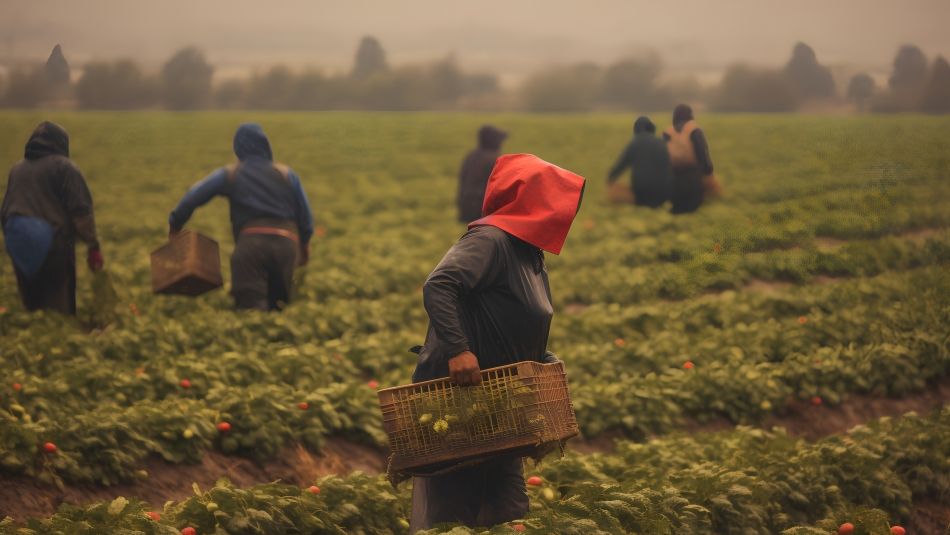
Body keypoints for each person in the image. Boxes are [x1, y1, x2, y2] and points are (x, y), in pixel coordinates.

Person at [410, 153, 585, 532]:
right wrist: (458, 349)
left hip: (504, 404)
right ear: (529, 201)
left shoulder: (530, 255)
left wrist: (544, 360)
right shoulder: (491, 241)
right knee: (454, 512)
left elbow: (522, 321)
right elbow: (440, 285)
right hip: (462, 401)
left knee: (509, 513)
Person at [168, 123, 314, 311]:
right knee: (280, 307)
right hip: (286, 246)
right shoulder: (287, 174)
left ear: (238, 149)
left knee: (251, 310)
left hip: (250, 247)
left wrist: (175, 225)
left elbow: (193, 196)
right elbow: (306, 217)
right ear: (266, 146)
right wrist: (304, 248)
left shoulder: (231, 173)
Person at [1, 121, 104, 315]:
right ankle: (59, 335)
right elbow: (81, 212)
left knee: (31, 304)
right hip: (52, 241)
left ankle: (33, 334)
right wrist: (93, 246)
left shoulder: (17, 169)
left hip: (17, 238)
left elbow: (5, 209)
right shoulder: (64, 167)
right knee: (59, 308)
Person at [607, 116, 672, 208]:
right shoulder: (661, 143)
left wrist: (610, 178)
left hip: (641, 194)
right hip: (662, 195)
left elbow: (621, 165)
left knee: (617, 193)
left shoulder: (636, 143)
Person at [663, 104, 717, 214]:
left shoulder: (667, 132)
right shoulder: (694, 130)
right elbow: (702, 151)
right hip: (692, 176)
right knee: (694, 209)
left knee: (676, 209)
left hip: (673, 177)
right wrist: (708, 171)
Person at [457, 125, 507, 223]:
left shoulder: (472, 156)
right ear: (494, 141)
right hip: (483, 210)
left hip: (467, 206)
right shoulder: (494, 160)